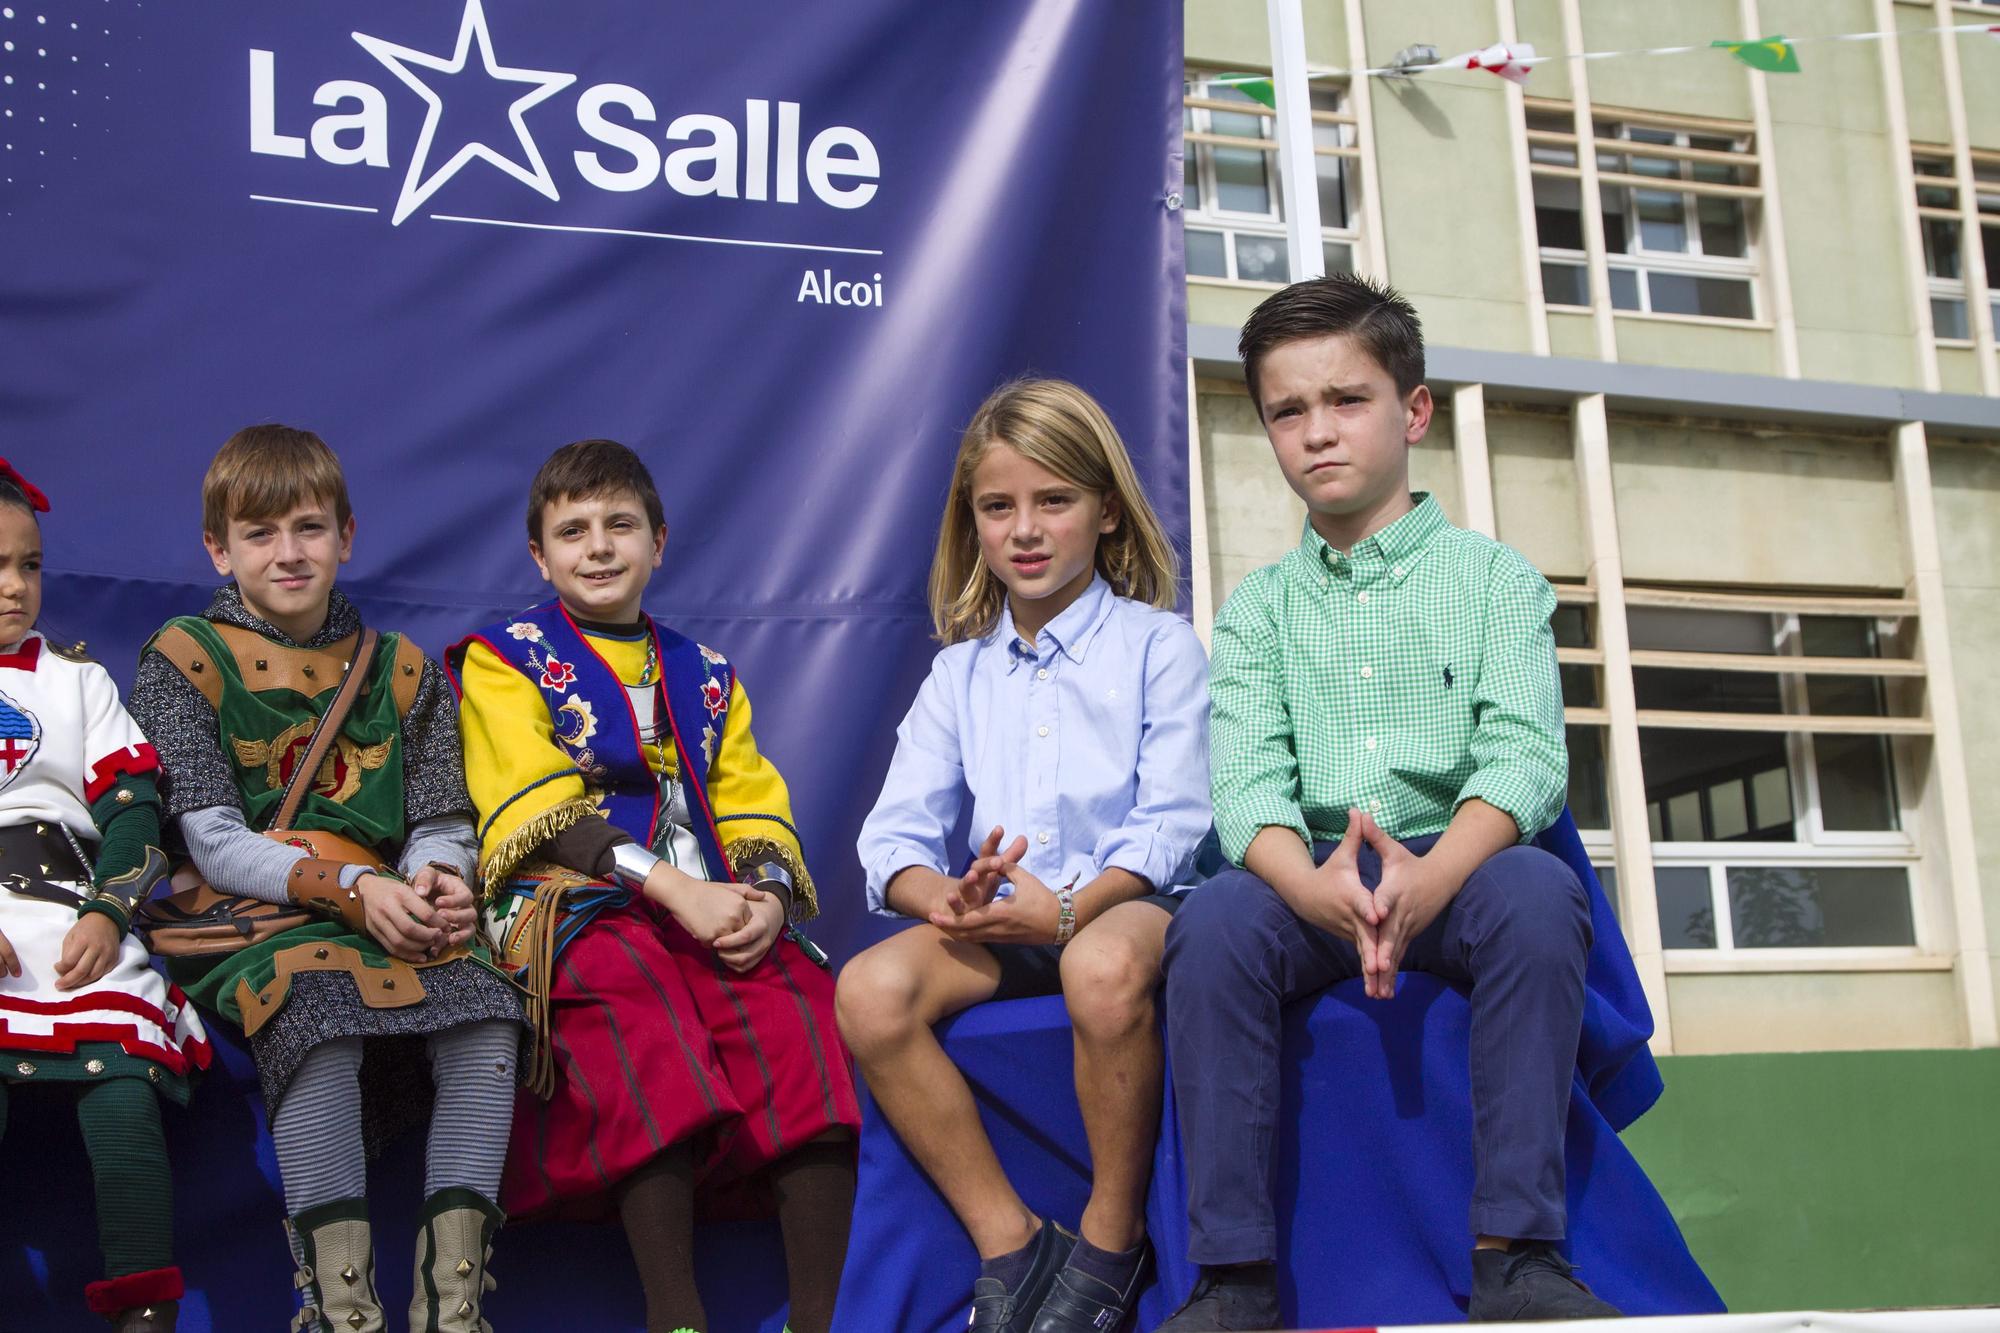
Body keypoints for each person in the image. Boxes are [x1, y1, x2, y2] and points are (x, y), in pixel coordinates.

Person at [1156, 275, 1619, 1330]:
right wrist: (1310, 888)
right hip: (1307, 873)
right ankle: (1232, 1274)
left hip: (1457, 865)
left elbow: (1521, 757)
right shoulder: (1257, 610)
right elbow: (1244, 786)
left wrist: (1430, 874)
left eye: (1346, 399)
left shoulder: (1494, 581)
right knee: (1215, 921)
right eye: (1286, 410)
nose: (1317, 432)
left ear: (1411, 411)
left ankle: (1516, 1254)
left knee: (1537, 895)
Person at [448, 438, 860, 1333]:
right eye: (573, 530)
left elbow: (751, 803)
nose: (598, 547)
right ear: (539, 555)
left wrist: (770, 902)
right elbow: (533, 808)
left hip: (707, 903)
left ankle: (818, 1321)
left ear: (660, 541)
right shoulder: (503, 657)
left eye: (619, 525)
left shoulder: (707, 674)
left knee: (801, 1006)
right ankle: (677, 1315)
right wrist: (676, 892)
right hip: (573, 902)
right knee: (637, 999)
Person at [127, 425, 523, 1333]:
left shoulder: (403, 668)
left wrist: (437, 880)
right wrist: (349, 891)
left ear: (348, 533)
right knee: (316, 1006)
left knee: (489, 1006)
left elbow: (439, 820)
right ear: (217, 549)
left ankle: (450, 1303)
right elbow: (214, 839)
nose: (289, 552)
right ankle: (338, 1309)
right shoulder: (184, 659)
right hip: (253, 914)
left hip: (383, 903)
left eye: (309, 528)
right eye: (260, 534)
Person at [837, 378, 1211, 1333]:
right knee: (868, 991)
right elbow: (892, 840)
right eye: (999, 506)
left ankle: (1111, 1236)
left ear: (1108, 511)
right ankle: (1009, 1238)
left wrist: (1073, 906)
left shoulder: (1160, 646)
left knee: (1098, 962)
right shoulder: (958, 673)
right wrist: (943, 899)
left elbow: (1173, 821)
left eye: (1055, 500)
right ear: (974, 523)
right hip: (1004, 922)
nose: (1027, 529)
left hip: (1133, 906)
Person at [0, 460, 210, 1333]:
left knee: (120, 1083)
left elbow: (133, 818)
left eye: (29, 565)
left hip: (70, 916)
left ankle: (145, 1316)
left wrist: (108, 910)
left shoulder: (79, 681)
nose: (14, 587)